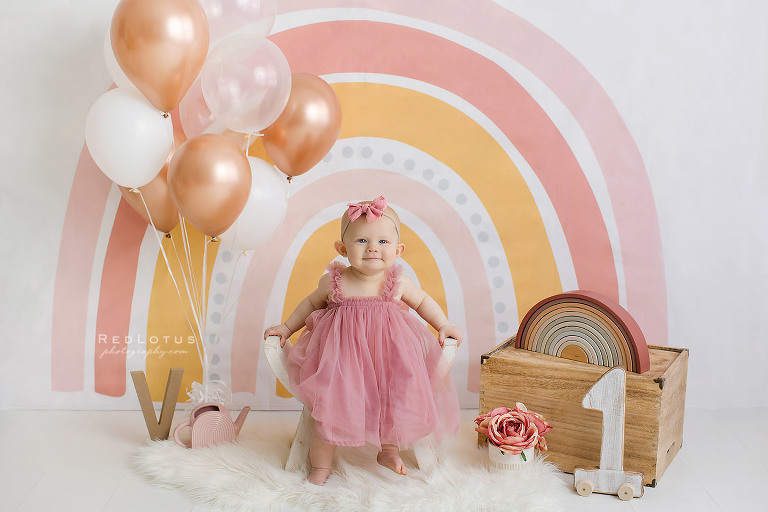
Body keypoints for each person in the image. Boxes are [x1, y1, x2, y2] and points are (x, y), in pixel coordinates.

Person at [264, 195, 462, 485]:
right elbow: (308, 306)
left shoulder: (398, 282)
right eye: (361, 242)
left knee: (393, 404)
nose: (373, 248)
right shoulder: (334, 281)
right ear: (342, 249)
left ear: (398, 249)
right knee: (327, 413)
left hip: (389, 358)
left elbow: (422, 302)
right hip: (341, 364)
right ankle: (320, 465)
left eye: (383, 242)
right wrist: (286, 327)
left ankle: (389, 450)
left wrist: (443, 324)